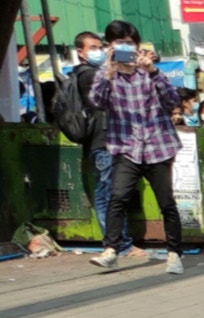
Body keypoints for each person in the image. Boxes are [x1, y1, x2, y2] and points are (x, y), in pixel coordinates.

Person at [87, 20, 182, 273]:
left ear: (138, 47)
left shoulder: (149, 73)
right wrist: (107, 72)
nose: (125, 47)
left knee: (166, 203)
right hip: (125, 147)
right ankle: (111, 250)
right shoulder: (106, 75)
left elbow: (173, 100)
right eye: (119, 42)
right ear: (110, 46)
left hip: (157, 146)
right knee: (117, 197)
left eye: (129, 43)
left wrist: (153, 71)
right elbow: (97, 102)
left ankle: (174, 253)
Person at [72, 29, 138, 259]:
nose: (98, 51)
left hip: (106, 139)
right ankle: (122, 245)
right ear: (80, 52)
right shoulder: (87, 74)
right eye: (93, 48)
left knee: (105, 193)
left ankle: (115, 244)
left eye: (100, 47)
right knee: (112, 194)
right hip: (103, 140)